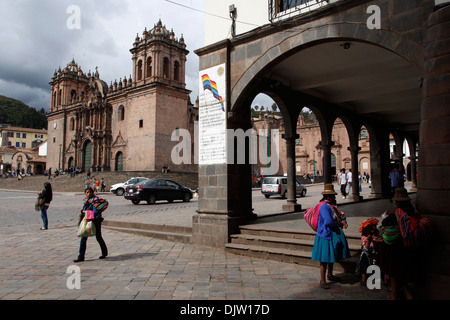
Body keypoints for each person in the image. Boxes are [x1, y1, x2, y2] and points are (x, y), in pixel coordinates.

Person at [380, 187, 420, 299]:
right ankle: (408, 294)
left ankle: (394, 296)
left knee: (394, 272)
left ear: (398, 201)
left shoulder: (398, 213)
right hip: (409, 245)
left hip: (398, 246)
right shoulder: (412, 211)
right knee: (400, 273)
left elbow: (385, 222)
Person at [311, 183, 350, 289]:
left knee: (330, 256)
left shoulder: (330, 206)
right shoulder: (324, 206)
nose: (334, 198)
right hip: (324, 235)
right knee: (324, 258)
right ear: (328, 197)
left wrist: (343, 220)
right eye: (332, 196)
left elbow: (339, 214)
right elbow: (328, 221)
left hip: (329, 234)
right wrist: (337, 228)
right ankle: (322, 280)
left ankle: (330, 274)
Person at [74, 187, 108, 262]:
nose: (88, 194)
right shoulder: (86, 201)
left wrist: (84, 212)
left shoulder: (94, 201)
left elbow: (95, 212)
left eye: (90, 192)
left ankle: (104, 252)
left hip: (95, 221)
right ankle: (81, 256)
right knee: (83, 238)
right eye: (87, 192)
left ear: (92, 193)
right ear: (85, 193)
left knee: (98, 237)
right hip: (87, 220)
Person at [358, 217, 380, 286]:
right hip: (367, 254)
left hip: (374, 253)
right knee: (364, 258)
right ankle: (363, 277)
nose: (374, 228)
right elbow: (366, 249)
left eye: (374, 226)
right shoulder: (364, 237)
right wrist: (369, 240)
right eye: (372, 226)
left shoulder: (376, 235)